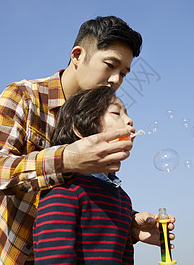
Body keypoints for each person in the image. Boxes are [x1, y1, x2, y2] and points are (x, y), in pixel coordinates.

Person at [0, 16, 175, 264]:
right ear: (77, 56)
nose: (115, 81)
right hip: (6, 257)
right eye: (110, 65)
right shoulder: (24, 96)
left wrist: (129, 222)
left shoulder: (99, 118)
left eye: (123, 73)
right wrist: (66, 160)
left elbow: (86, 196)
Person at [34, 86, 136, 264]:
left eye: (126, 113)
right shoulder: (64, 190)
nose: (129, 120)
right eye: (116, 113)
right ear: (81, 128)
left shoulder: (123, 200)